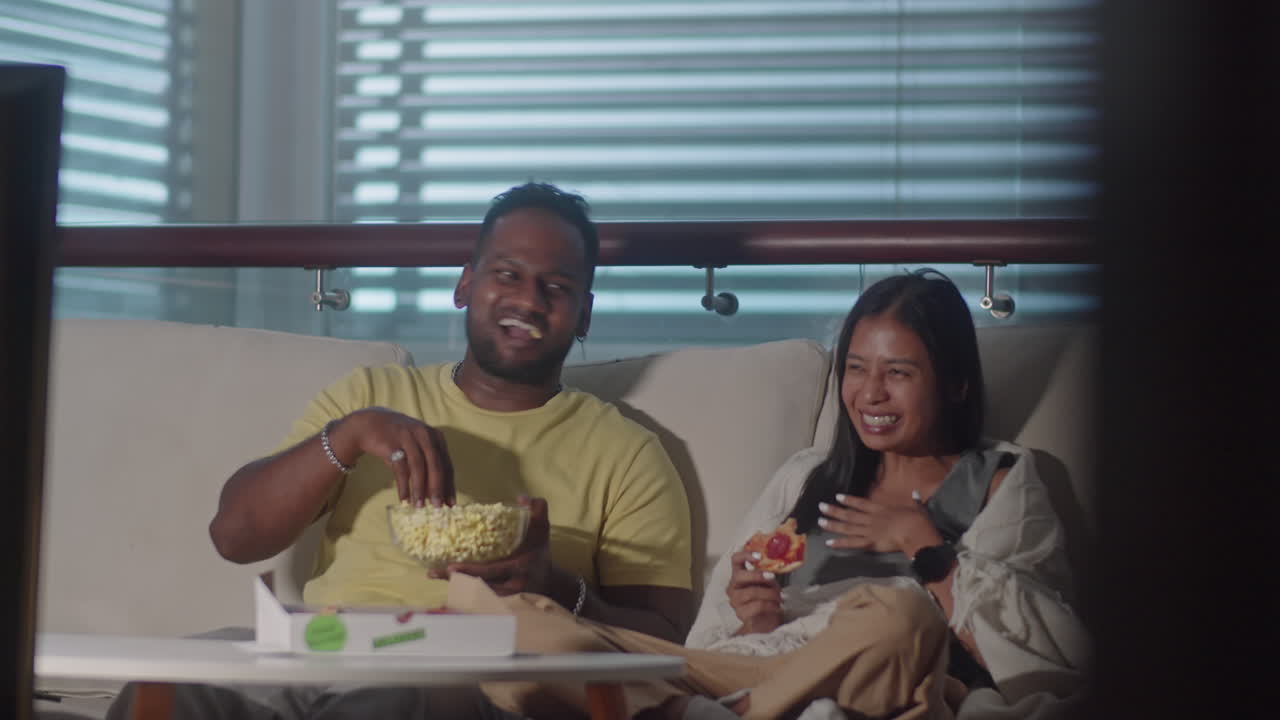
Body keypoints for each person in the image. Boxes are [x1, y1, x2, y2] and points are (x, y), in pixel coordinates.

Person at [106, 182, 695, 720]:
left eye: (557, 287)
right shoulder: (370, 398)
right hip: (322, 646)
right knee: (167, 689)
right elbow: (234, 537)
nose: (528, 300)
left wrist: (554, 587)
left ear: (584, 314)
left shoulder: (626, 452)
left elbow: (667, 644)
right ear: (465, 285)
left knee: (391, 703)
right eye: (507, 274)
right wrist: (346, 438)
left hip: (471, 674)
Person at [475, 270, 1090, 720]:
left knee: (898, 615)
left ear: (955, 383)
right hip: (756, 666)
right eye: (856, 368)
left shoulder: (1003, 479)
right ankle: (744, 706)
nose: (870, 394)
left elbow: (1042, 656)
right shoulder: (808, 474)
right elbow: (707, 647)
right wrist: (756, 618)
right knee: (517, 625)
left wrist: (924, 546)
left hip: (890, 669)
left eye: (898, 373)